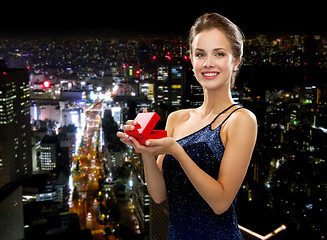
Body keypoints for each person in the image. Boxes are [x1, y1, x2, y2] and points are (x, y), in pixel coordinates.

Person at [117, 13, 257, 240]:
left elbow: (221, 203)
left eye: (219, 54)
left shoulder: (241, 120)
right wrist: (144, 149)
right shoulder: (176, 118)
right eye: (200, 54)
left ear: (236, 61)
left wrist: (176, 150)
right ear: (192, 60)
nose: (208, 63)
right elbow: (159, 195)